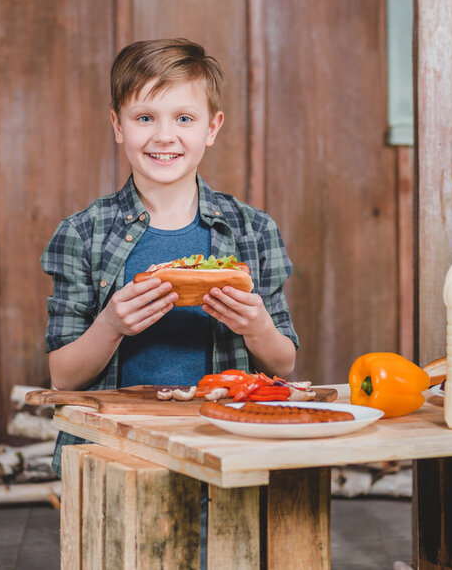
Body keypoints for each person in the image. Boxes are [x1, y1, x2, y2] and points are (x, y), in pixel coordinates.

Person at [40, 38, 299, 476]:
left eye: (184, 118)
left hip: (225, 447)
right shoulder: (82, 233)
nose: (164, 136)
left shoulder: (253, 230)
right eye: (144, 118)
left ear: (212, 128)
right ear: (118, 126)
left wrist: (257, 328)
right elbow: (62, 377)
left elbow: (284, 364)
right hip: (115, 454)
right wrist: (110, 325)